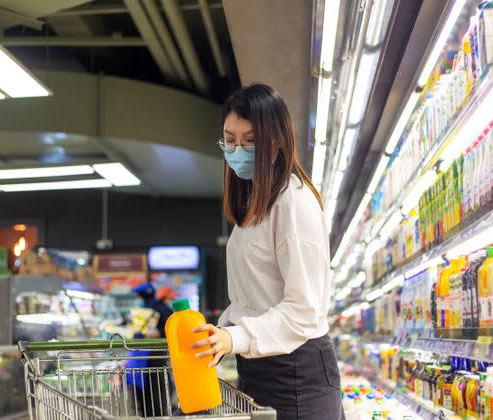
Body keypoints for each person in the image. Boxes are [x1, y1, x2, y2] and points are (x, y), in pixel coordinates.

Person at [191, 84, 342, 420]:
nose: (237, 150)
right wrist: (220, 333)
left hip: (296, 373)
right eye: (230, 140)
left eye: (250, 140)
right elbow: (253, 298)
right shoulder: (255, 205)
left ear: (276, 141)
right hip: (262, 367)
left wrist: (236, 337)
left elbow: (304, 309)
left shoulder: (294, 202)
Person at [127, 282, 175, 416]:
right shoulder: (141, 310)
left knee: (156, 391)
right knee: (142, 391)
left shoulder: (161, 309)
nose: (137, 299)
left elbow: (169, 328)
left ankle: (158, 415)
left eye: (138, 296)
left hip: (154, 357)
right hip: (139, 357)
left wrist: (150, 335)